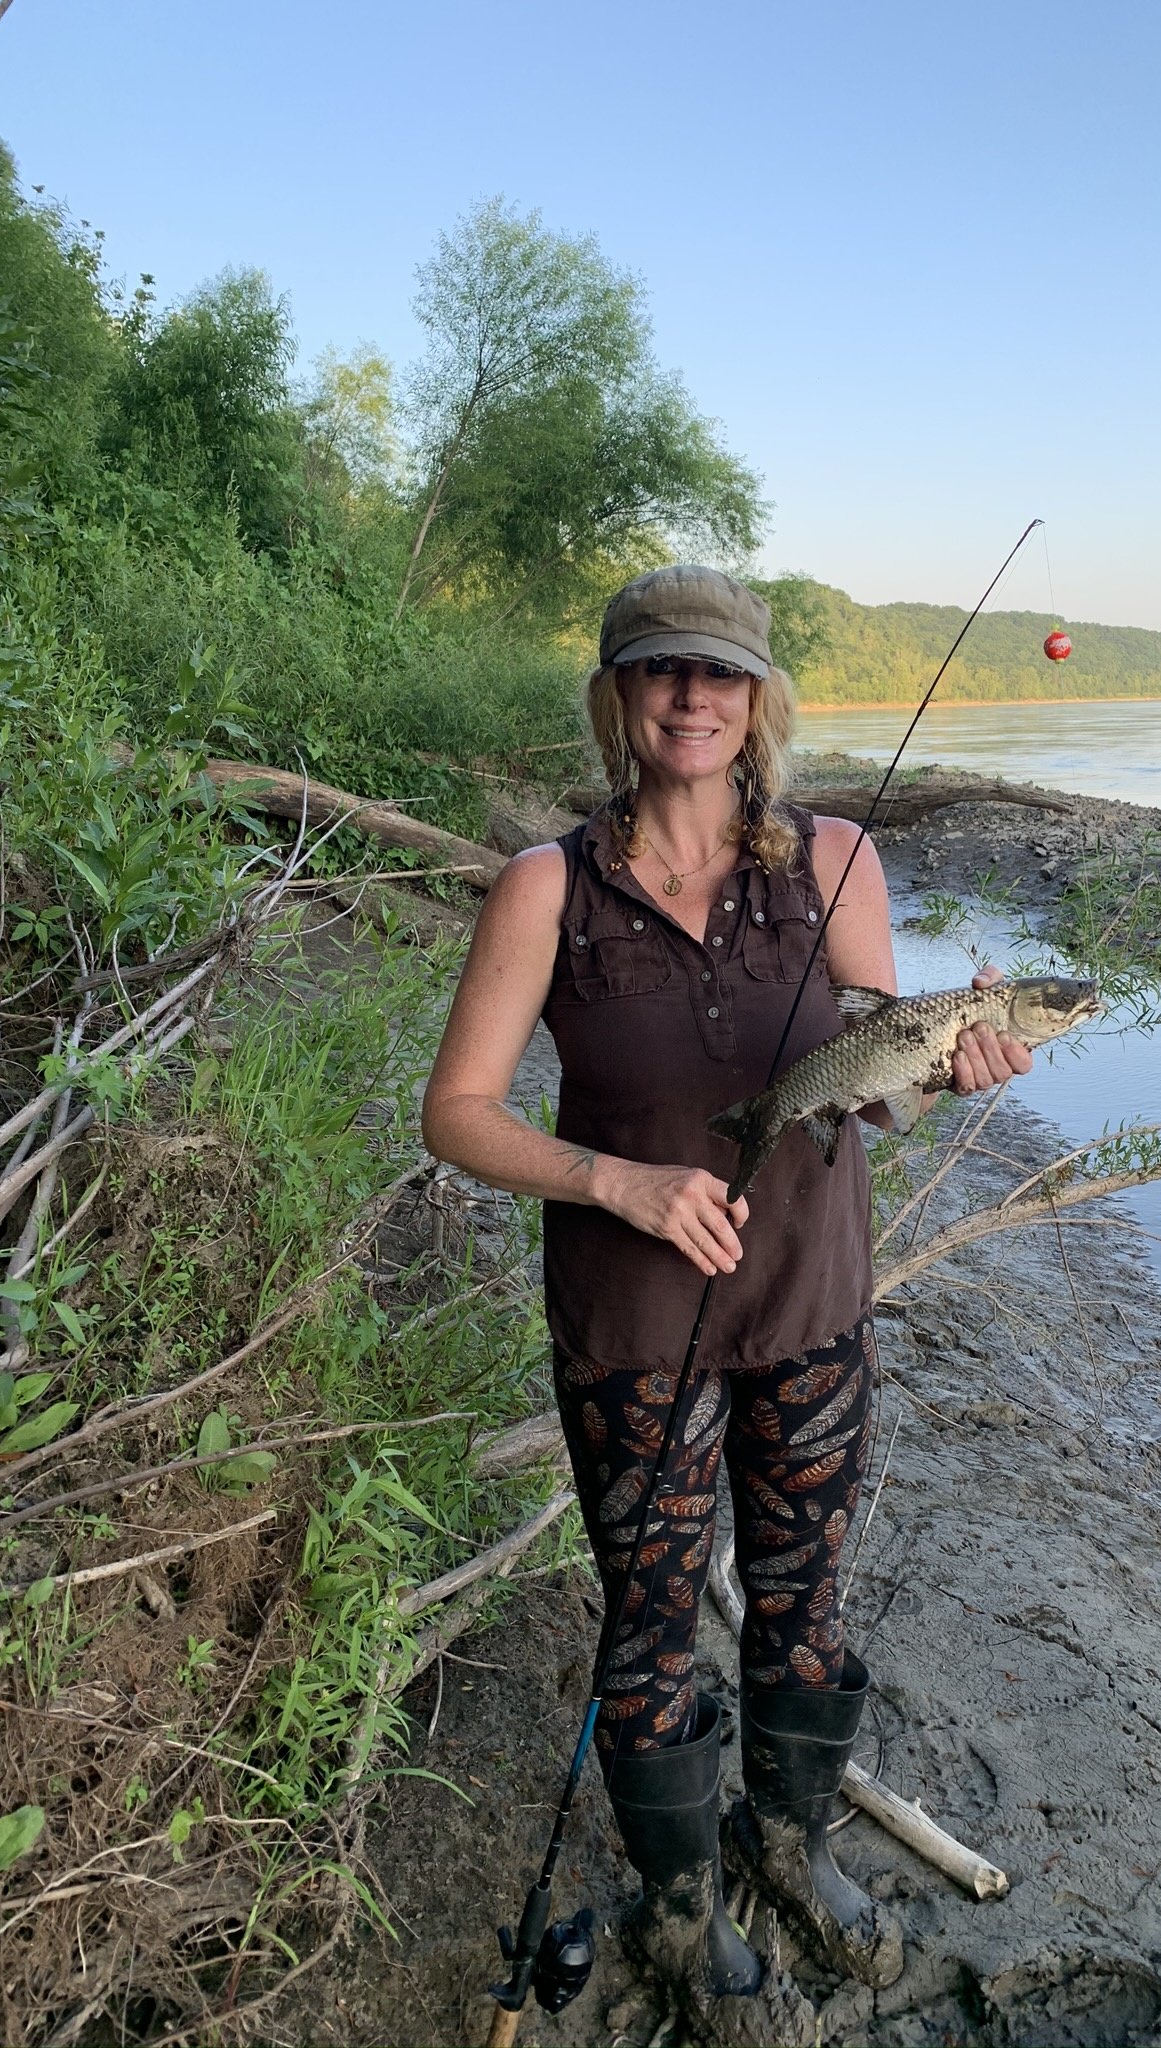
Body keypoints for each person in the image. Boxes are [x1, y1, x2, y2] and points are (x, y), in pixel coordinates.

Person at [422, 565, 1031, 2039]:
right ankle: (683, 1909)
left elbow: (874, 1090)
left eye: (718, 673)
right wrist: (619, 1184)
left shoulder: (832, 861)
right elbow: (456, 1113)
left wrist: (949, 1068)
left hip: (809, 1306)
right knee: (646, 1628)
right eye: (658, 672)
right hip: (636, 1330)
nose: (690, 696)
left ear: (758, 701)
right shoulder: (548, 888)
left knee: (803, 1601)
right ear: (620, 700)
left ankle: (791, 1844)